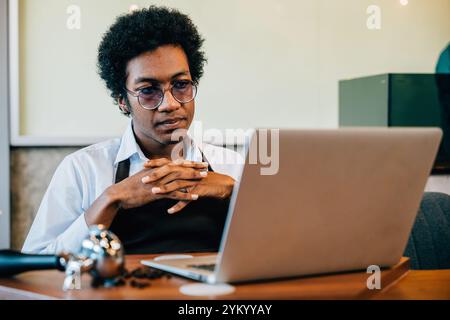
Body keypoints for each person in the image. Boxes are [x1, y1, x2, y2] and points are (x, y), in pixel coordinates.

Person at [23, 6, 242, 255]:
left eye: (181, 85)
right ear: (122, 100)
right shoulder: (83, 170)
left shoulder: (231, 165)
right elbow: (35, 265)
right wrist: (111, 199)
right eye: (148, 90)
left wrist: (235, 191)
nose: (170, 104)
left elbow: (274, 253)